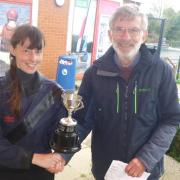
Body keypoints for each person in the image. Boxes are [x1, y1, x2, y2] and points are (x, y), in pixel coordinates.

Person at [71, 5, 180, 180]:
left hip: (147, 171)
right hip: (105, 169)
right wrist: (62, 153)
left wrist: (145, 158)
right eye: (119, 29)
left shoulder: (161, 71)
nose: (125, 37)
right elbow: (82, 119)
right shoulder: (94, 73)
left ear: (144, 35)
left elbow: (171, 119)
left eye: (134, 30)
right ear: (110, 34)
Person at [0, 24, 66, 180]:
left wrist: (61, 156)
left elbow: (58, 137)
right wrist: (34, 158)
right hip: (5, 170)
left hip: (41, 173)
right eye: (26, 51)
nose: (33, 58)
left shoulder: (55, 92)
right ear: (12, 49)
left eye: (38, 51)